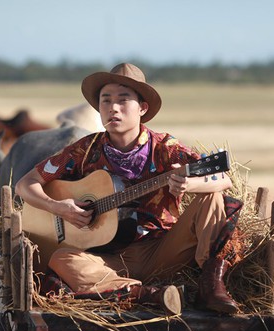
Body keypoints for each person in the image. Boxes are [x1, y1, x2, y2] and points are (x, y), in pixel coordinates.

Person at [15, 63, 242, 316]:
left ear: (142, 108)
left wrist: (190, 184)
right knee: (60, 259)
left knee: (212, 195)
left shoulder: (165, 147)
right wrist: (58, 207)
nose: (113, 108)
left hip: (162, 251)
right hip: (108, 260)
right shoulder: (84, 150)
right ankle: (148, 295)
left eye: (123, 101)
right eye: (106, 101)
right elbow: (25, 184)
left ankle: (210, 287)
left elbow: (222, 178)